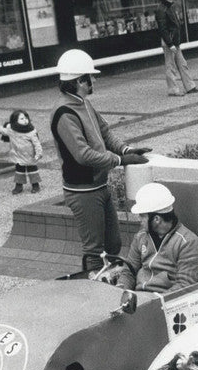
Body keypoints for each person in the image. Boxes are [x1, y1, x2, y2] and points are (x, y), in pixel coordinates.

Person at [50, 48, 151, 272]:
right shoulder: (64, 113)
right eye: (90, 77)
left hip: (99, 185)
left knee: (113, 243)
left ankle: (111, 279)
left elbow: (104, 132)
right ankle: (93, 286)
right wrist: (120, 160)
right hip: (83, 190)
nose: (94, 80)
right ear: (79, 81)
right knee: (94, 248)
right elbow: (83, 154)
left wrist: (128, 149)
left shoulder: (83, 103)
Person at [115, 183, 198, 293]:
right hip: (137, 298)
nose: (139, 220)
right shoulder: (140, 236)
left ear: (156, 219)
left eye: (142, 216)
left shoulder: (188, 242)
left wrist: (155, 302)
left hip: (164, 301)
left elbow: (184, 285)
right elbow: (129, 272)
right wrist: (120, 291)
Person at [155, 0, 198, 97]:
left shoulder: (170, 7)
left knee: (182, 64)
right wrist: (170, 44)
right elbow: (163, 29)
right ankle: (173, 90)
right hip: (169, 43)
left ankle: (190, 87)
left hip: (174, 42)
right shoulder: (161, 9)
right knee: (170, 66)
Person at [0, 109, 43, 194]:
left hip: (30, 155)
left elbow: (37, 143)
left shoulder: (31, 131)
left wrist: (38, 153)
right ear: (15, 121)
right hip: (18, 155)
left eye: (26, 118)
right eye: (22, 119)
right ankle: (19, 186)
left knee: (32, 170)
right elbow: (1, 130)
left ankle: (35, 185)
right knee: (19, 171)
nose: (25, 120)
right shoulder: (11, 130)